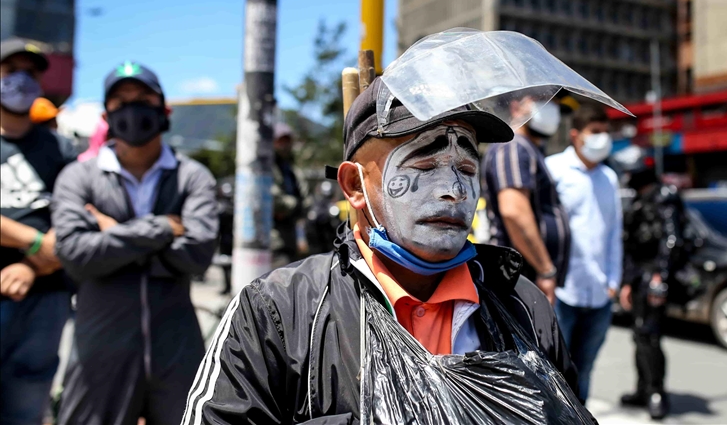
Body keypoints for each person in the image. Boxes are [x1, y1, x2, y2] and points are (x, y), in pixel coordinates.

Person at [181, 76, 595, 423]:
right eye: (423, 166)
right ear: (354, 186)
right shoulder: (276, 312)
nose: (453, 191)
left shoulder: (522, 307)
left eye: (467, 169)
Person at [51, 61, 218, 424]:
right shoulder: (78, 177)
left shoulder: (192, 177)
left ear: (164, 109)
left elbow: (198, 254)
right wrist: (159, 229)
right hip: (99, 347)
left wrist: (113, 236)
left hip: (177, 347)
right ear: (106, 114)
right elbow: (76, 256)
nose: (133, 107)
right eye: (121, 100)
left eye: (143, 98)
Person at [0, 37, 77, 424]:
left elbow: (80, 221)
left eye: (30, 73)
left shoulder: (61, 149)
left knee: (27, 406)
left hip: (46, 296)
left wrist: (32, 267)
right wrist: (33, 240)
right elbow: (50, 237)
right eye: (11, 70)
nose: (21, 80)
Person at [545, 102, 622, 404]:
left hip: (600, 294)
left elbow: (614, 233)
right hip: (563, 292)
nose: (602, 138)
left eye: (606, 132)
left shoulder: (609, 178)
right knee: (554, 373)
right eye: (595, 132)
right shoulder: (553, 170)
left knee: (584, 371)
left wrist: (614, 280)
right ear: (576, 135)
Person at [617, 164, 689, 420]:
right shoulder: (639, 201)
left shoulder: (664, 197)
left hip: (654, 277)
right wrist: (627, 282)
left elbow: (673, 240)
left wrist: (661, 276)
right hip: (639, 278)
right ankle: (643, 389)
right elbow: (631, 246)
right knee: (639, 335)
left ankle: (656, 392)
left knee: (649, 335)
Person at [481, 99, 570, 305]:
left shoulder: (527, 147)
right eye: (540, 99)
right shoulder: (513, 147)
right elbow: (514, 212)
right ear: (515, 105)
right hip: (520, 279)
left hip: (527, 277)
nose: (550, 106)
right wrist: (545, 270)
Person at [271, 122, 307, 268]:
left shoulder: (290, 169)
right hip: (274, 241)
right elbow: (274, 201)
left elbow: (305, 201)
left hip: (290, 238)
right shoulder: (268, 167)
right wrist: (293, 204)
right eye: (281, 141)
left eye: (287, 141)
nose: (285, 145)